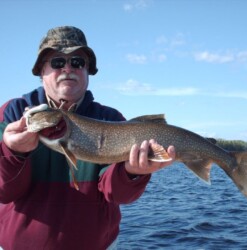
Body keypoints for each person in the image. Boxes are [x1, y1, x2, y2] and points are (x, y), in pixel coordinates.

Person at [0, 26, 175, 250]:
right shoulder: (11, 114)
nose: (67, 69)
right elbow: (4, 192)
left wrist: (132, 173)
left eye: (77, 62)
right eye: (56, 62)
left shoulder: (111, 118)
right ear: (41, 70)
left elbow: (116, 195)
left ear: (87, 70)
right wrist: (12, 153)